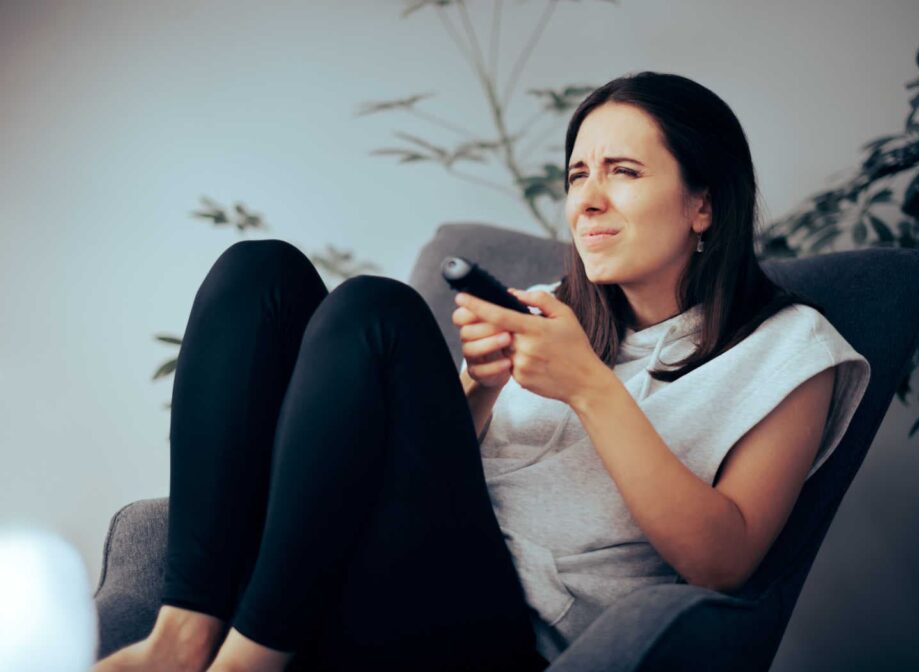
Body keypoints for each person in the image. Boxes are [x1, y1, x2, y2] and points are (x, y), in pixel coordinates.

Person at [94, 70, 870, 671]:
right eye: (577, 176)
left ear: (703, 203)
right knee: (257, 272)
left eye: (623, 172)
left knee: (376, 313)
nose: (587, 201)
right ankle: (185, 633)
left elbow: (724, 561)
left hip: (489, 638)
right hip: (349, 576)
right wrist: (481, 387)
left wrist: (590, 388)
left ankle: (248, 662)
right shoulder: (546, 312)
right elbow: (429, 482)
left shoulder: (791, 351)